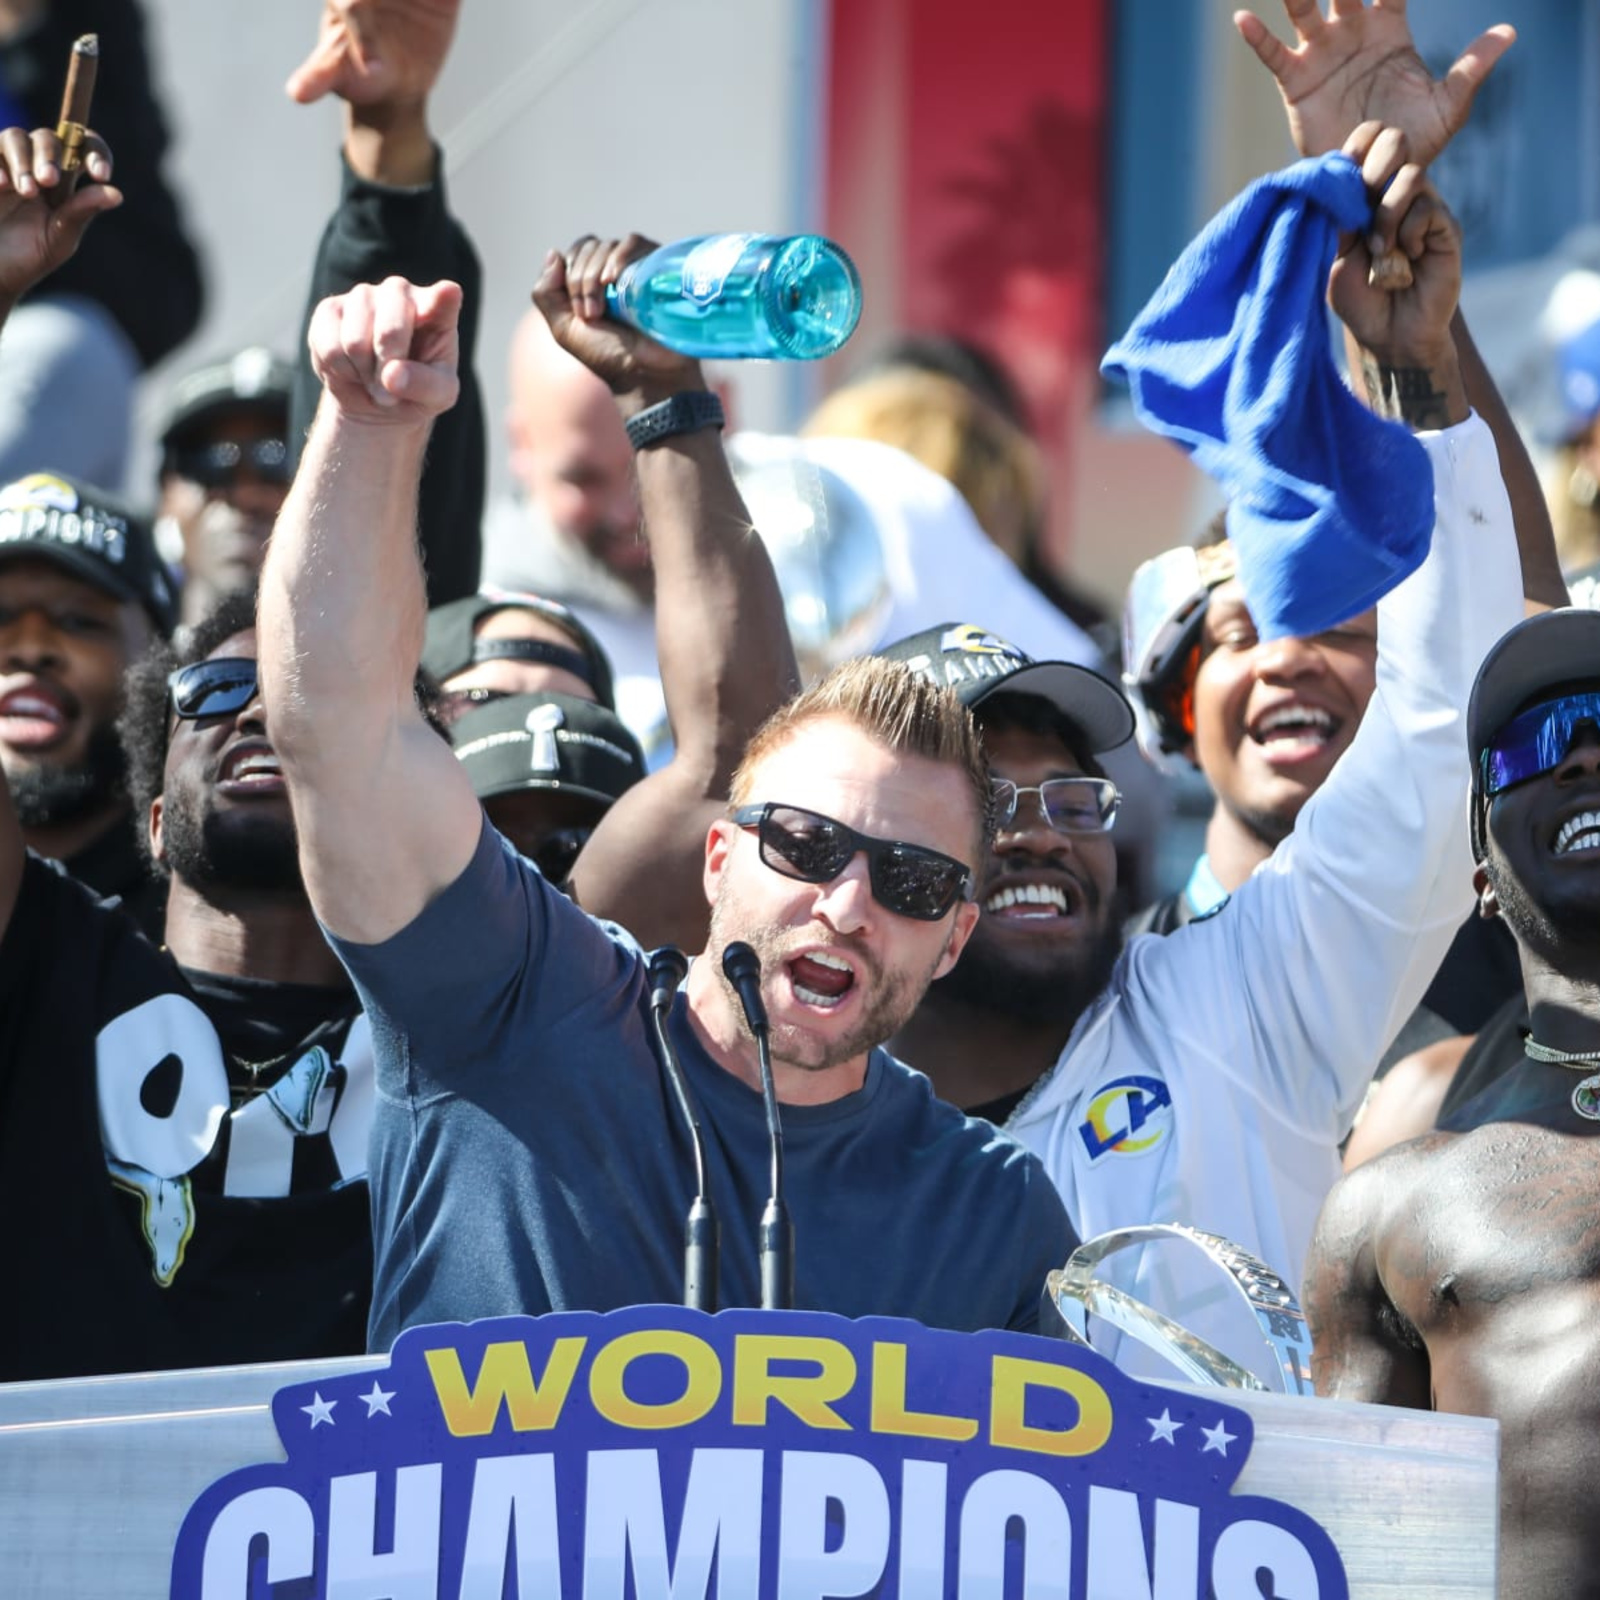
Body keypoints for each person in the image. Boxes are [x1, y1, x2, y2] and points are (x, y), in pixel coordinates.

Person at [258, 245, 1076, 1347]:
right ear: (718, 856)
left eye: (914, 880)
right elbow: (337, 728)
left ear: (955, 937)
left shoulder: (990, 1210)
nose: (846, 902)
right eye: (803, 843)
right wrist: (367, 423)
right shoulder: (516, 1004)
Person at [887, 120, 1522, 1378]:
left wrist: (1424, 386)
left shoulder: (1230, 1014)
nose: (1037, 826)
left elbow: (1451, 718)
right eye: (983, 793)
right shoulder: (778, 1110)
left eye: (1068, 790)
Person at [0, 593, 378, 1380]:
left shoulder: (466, 1021)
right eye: (217, 688)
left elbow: (705, 767)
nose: (261, 711)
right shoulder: (45, 960)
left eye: (311, 692)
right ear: (156, 822)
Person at [1303, 607, 1600, 1600]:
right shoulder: (1385, 1202)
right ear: (1478, 858)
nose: (1583, 760)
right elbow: (1343, 1556)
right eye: (1537, 744)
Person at [154, 347, 294, 629]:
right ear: (167, 495)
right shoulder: (121, 656)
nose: (246, 495)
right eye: (209, 464)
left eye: (277, 458)